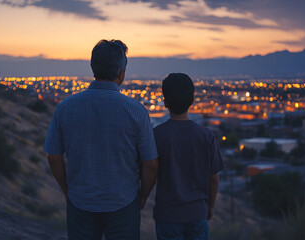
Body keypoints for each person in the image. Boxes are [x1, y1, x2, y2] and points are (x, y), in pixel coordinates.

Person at [43, 39, 159, 240]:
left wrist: (67, 191)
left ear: (93, 67)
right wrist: (142, 197)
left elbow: (53, 157)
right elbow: (150, 165)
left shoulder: (66, 107)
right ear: (121, 73)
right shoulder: (136, 111)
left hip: (80, 201)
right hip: (123, 202)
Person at [153, 73, 225, 240]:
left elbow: (151, 169)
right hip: (197, 214)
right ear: (192, 101)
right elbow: (213, 178)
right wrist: (210, 206)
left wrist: (142, 197)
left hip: (167, 215)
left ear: (165, 102)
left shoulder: (157, 135)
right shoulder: (206, 136)